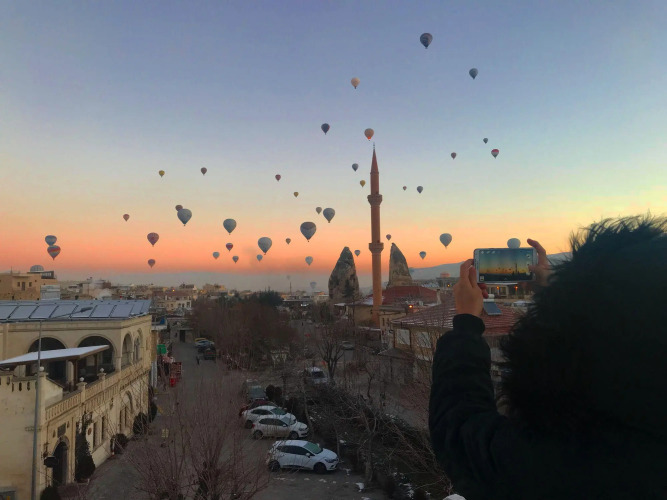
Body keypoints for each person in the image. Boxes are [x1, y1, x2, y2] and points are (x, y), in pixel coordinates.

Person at [429, 216, 667, 500]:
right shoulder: (641, 442)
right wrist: (558, 289)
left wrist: (466, 323)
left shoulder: (561, 462)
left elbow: (459, 430)